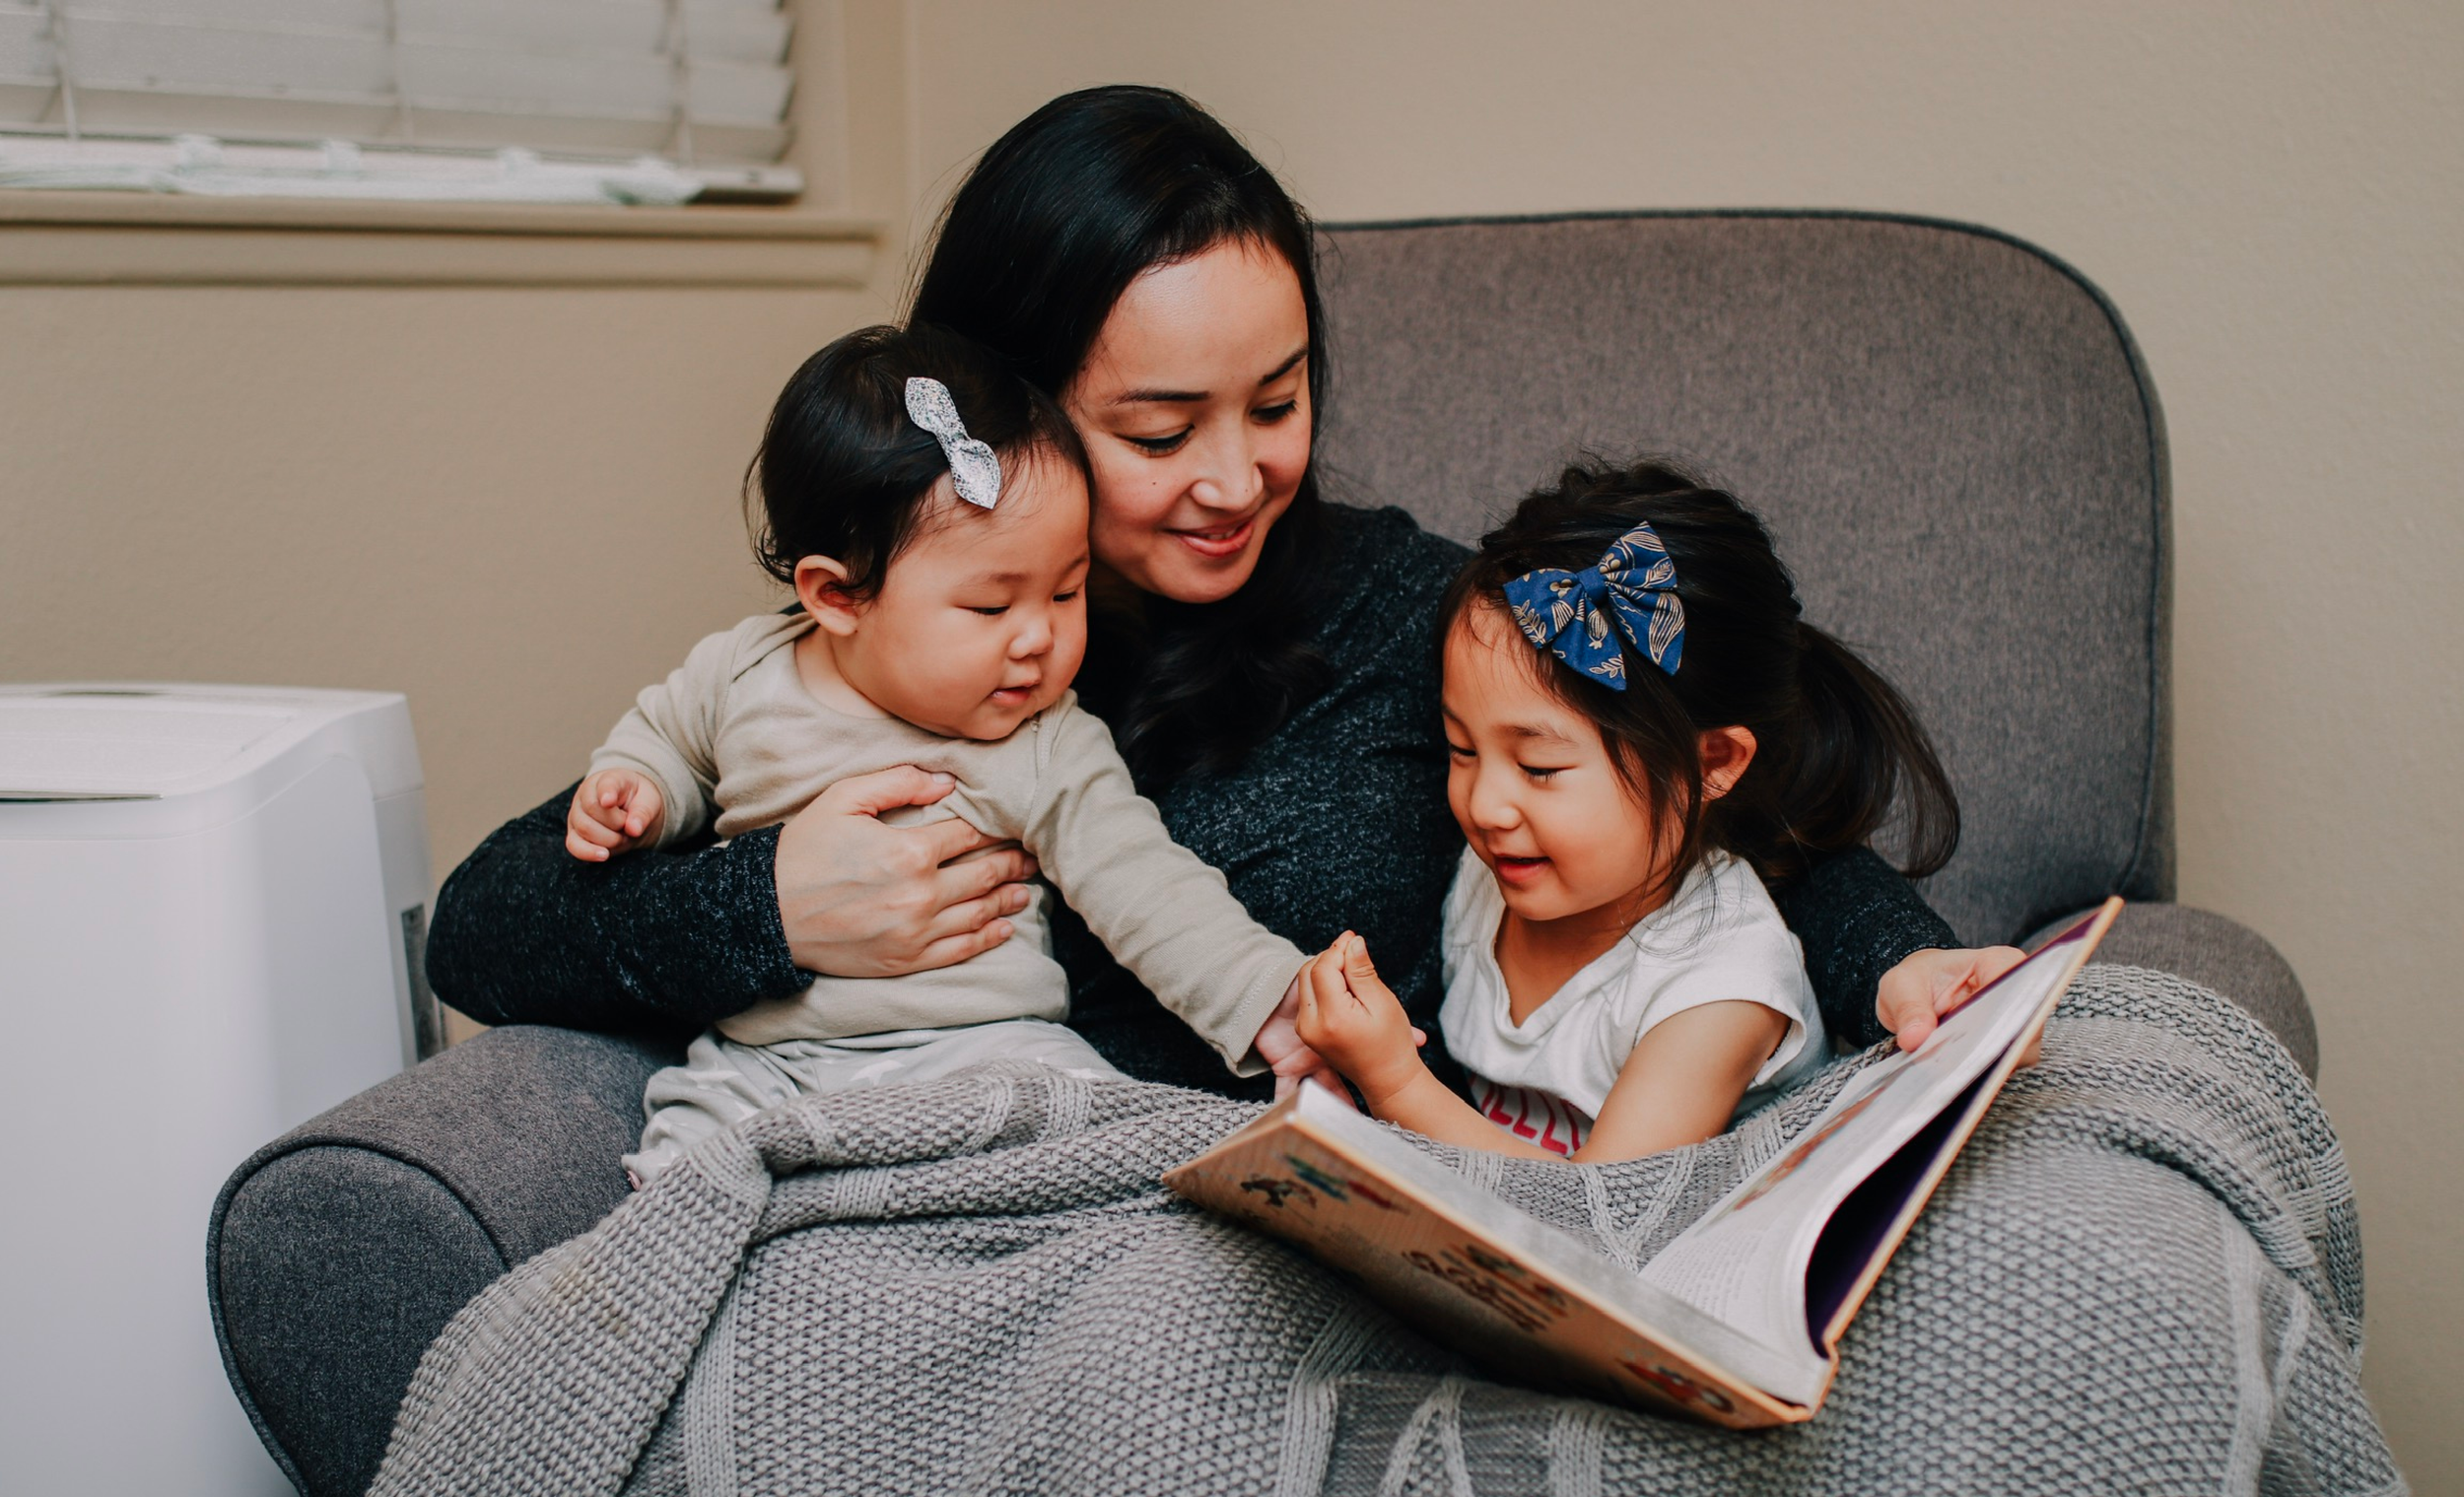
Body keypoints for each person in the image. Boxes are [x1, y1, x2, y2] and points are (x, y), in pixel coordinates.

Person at [428, 84, 2021, 1111]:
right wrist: (768, 903)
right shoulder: (908, 646)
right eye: (1155, 430)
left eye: (1278, 399)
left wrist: (1894, 957)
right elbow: (491, 926)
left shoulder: (1411, 618)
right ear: (1015, 417)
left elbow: (1679, 801)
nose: (1239, 476)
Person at [565, 323, 1324, 1183]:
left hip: (987, 1050)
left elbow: (1147, 886)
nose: (1040, 636)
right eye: (991, 608)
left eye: (1067, 589)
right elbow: (665, 735)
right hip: (770, 1062)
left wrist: (1270, 1001)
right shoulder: (742, 670)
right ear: (838, 595)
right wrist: (637, 789)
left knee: (1103, 1133)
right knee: (683, 1159)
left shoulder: (1046, 741)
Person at [1298, 457, 1958, 1162]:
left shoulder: (1720, 983)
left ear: (1710, 766)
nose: (1484, 806)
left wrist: (1394, 1080)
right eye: (1461, 748)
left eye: (1540, 768)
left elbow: (1594, 1224)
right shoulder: (1496, 879)